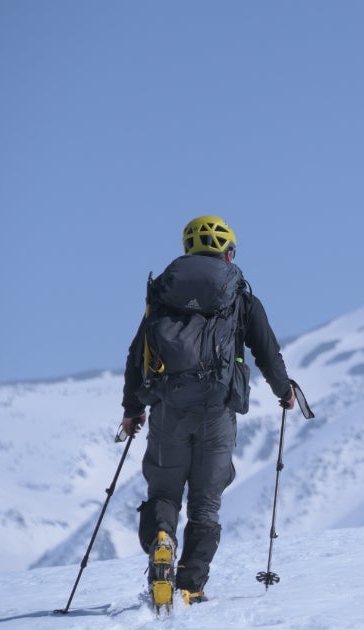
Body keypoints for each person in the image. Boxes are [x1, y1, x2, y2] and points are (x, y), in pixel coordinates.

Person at [120, 216, 295, 606]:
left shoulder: (163, 294)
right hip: (217, 410)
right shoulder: (241, 297)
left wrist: (133, 410)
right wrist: (284, 391)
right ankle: (190, 585)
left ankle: (162, 538)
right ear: (228, 253)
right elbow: (267, 351)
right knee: (205, 502)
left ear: (188, 251)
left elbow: (138, 355)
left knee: (164, 491)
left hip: (168, 408)